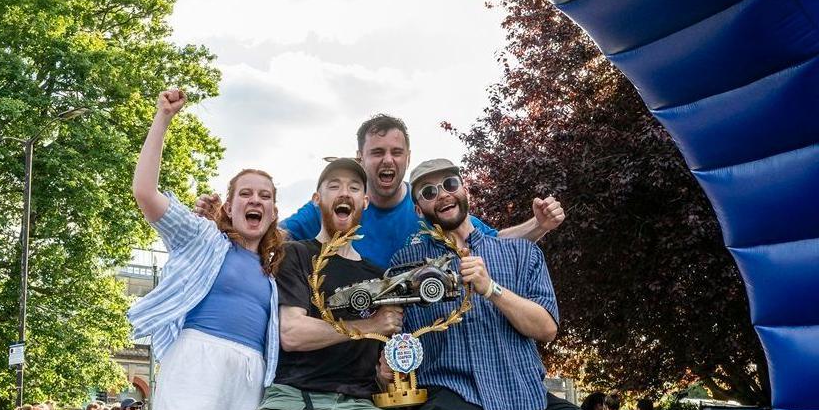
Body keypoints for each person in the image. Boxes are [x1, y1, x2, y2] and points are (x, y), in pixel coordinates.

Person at [392, 159, 644, 410]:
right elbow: (397, 342)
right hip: (451, 398)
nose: (442, 195)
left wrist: (491, 288)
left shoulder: (521, 252)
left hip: (525, 397)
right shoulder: (406, 266)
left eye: (450, 184)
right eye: (429, 192)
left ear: (466, 190)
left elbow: (546, 328)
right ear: (419, 208)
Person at [220, 158, 413, 410]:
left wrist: (385, 370)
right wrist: (368, 326)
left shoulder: (379, 275)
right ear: (316, 199)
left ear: (365, 202)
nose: (345, 193)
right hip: (294, 399)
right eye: (334, 186)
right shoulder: (295, 255)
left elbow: (379, 361)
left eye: (355, 188)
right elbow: (292, 333)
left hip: (360, 405)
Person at [127, 89, 285, 410]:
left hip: (251, 375)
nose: (256, 200)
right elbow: (145, 191)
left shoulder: (275, 271)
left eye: (265, 195)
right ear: (229, 208)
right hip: (199, 359)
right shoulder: (202, 239)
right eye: (246, 194)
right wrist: (162, 117)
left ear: (273, 212)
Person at [196, 114, 566, 269]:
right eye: (376, 153)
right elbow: (272, 237)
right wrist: (221, 223)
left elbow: (494, 241)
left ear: (407, 157)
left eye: (395, 152)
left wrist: (539, 224)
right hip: (353, 332)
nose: (386, 160)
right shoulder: (334, 205)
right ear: (360, 157)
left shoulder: (429, 205)